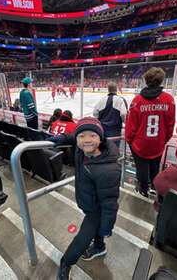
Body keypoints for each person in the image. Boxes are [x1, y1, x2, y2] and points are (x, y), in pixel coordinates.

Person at [53, 117, 121, 280]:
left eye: (92, 135)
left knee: (82, 239)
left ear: (101, 138)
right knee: (95, 230)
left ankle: (66, 263)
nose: (87, 140)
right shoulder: (81, 149)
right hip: (88, 202)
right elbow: (75, 135)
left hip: (97, 210)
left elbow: (110, 204)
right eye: (82, 136)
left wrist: (106, 227)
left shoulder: (108, 169)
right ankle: (99, 246)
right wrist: (63, 138)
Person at [125, 67, 175, 197]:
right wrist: (165, 139)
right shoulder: (169, 99)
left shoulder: (137, 100)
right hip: (158, 142)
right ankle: (154, 187)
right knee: (155, 166)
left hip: (140, 144)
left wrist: (129, 140)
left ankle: (143, 189)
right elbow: (171, 124)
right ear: (161, 80)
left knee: (141, 168)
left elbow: (131, 126)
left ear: (146, 80)